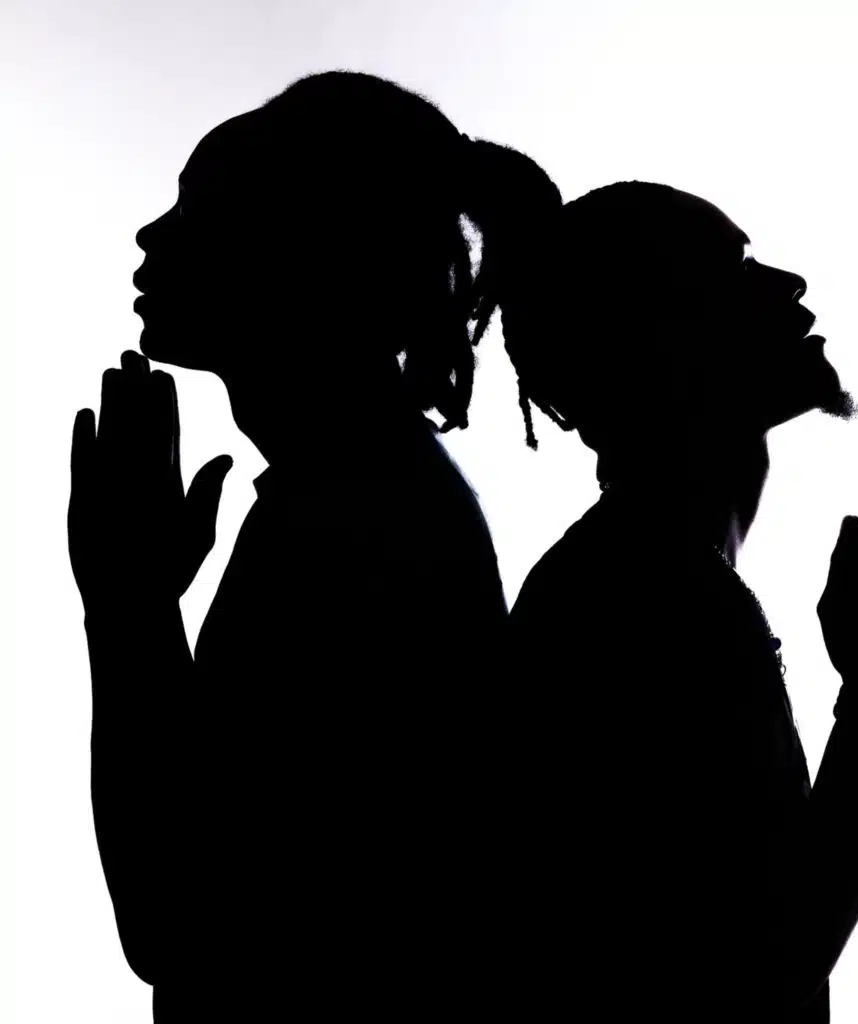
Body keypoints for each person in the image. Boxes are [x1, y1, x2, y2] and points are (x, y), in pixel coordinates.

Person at [67, 71, 560, 1019]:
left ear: (300, 253)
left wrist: (127, 607)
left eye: (199, 211)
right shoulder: (363, 493)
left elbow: (174, 919)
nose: (152, 238)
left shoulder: (352, 523)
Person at [498, 182, 858, 1020]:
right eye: (734, 272)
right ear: (657, 343)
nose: (787, 285)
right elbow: (767, 959)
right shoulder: (641, 601)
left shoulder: (642, 577)